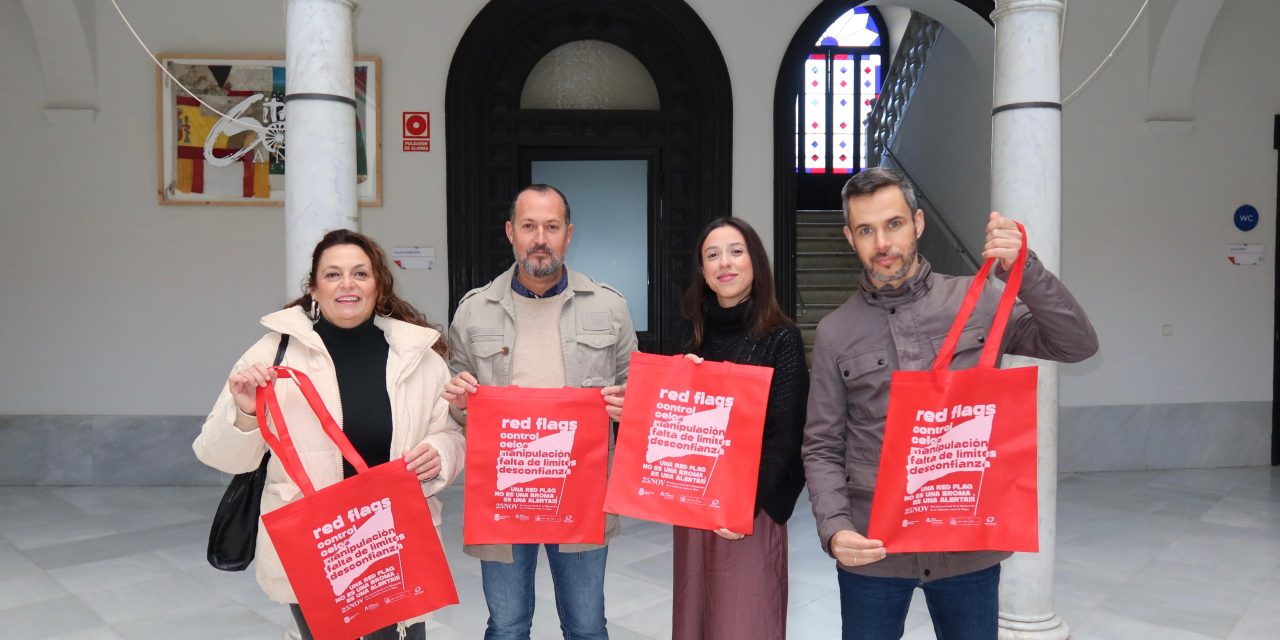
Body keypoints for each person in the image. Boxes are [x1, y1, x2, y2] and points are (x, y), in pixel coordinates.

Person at [802, 167, 1098, 640]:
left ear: (918, 223)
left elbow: (1077, 345)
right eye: (866, 230)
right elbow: (820, 445)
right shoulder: (837, 331)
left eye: (894, 224)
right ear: (849, 237)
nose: (882, 242)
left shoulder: (978, 301)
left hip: (967, 539)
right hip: (874, 544)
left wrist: (1028, 269)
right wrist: (835, 528)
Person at [194, 229, 465, 640]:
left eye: (360, 273)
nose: (347, 285)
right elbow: (222, 457)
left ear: (378, 284)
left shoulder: (419, 358)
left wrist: (441, 454)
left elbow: (448, 432)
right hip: (317, 546)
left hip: (395, 539)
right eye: (333, 274)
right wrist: (247, 414)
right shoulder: (271, 354)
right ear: (314, 288)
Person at [442, 184, 638, 640]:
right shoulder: (474, 312)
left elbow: (638, 396)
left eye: (551, 227)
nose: (540, 238)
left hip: (582, 490)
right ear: (510, 232)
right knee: (507, 625)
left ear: (569, 234)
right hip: (504, 492)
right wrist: (457, 401)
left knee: (587, 625)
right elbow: (454, 404)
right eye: (529, 226)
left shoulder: (609, 306)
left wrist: (627, 405)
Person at [669, 217, 809, 640]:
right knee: (695, 615)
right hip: (695, 501)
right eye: (712, 255)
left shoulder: (781, 336)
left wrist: (741, 505)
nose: (724, 263)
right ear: (702, 270)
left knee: (744, 619)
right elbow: (675, 423)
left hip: (751, 504)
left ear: (755, 263)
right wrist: (677, 379)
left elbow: (786, 434)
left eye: (735, 251)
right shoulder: (692, 334)